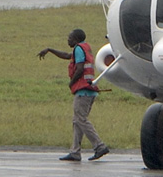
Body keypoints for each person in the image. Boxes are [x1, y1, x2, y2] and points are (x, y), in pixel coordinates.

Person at [38, 28, 110, 162]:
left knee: (81, 119)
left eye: (70, 38)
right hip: (89, 91)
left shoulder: (78, 49)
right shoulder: (83, 48)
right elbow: (66, 55)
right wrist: (49, 50)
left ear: (76, 39)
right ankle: (75, 152)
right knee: (77, 121)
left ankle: (99, 146)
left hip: (83, 91)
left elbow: (80, 68)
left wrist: (72, 82)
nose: (68, 40)